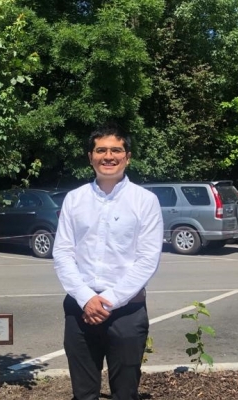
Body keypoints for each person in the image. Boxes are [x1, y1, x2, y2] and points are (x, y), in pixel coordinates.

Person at [53, 125, 163, 400]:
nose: (108, 156)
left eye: (116, 150)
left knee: (125, 392)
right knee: (83, 392)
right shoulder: (74, 199)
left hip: (127, 311)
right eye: (101, 150)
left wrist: (108, 300)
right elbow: (63, 253)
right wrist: (87, 298)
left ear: (128, 156)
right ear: (90, 156)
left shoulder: (145, 201)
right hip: (80, 308)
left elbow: (147, 259)